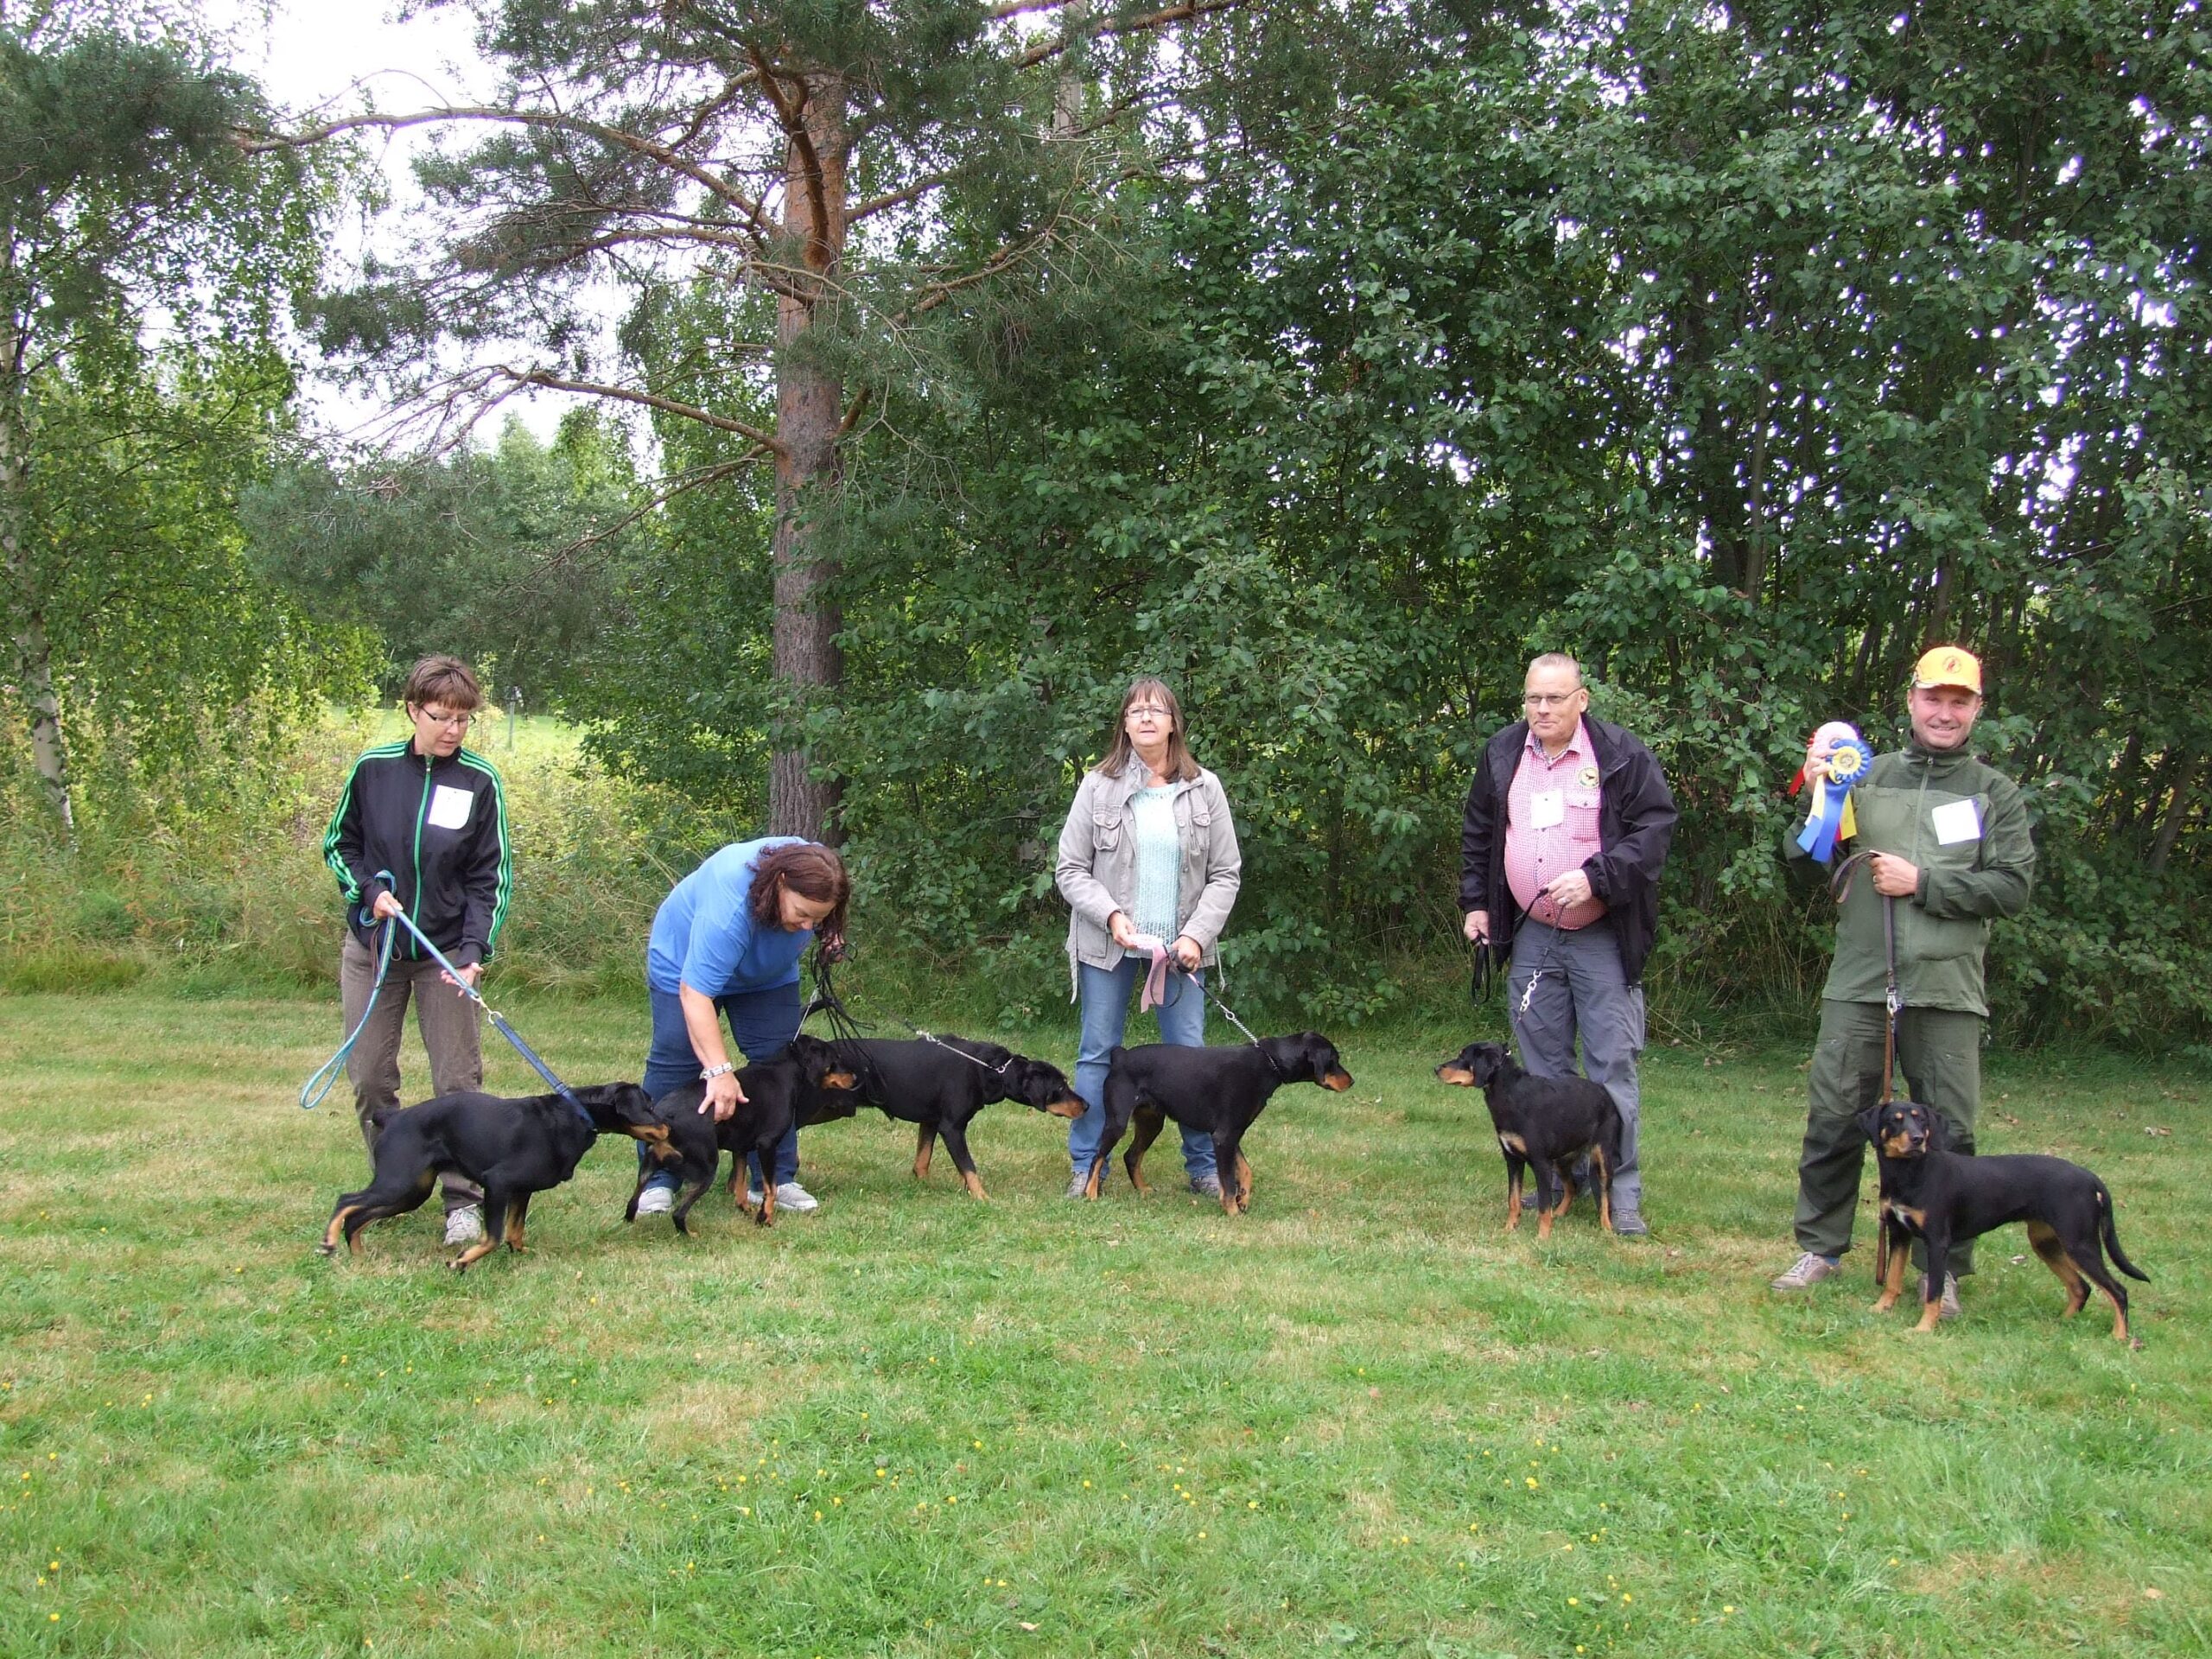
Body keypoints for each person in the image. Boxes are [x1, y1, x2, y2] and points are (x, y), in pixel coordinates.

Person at [1770, 646, 2036, 1311]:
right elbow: (1802, 861)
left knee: (1951, 1133)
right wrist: (1816, 797)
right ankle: (1821, 1248)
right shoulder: (1866, 776)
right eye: (1933, 699)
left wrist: (1927, 883)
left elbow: (2013, 887)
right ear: (1911, 701)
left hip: (1948, 987)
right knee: (1834, 1117)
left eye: (1960, 701)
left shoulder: (1994, 792)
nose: (1944, 713)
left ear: (1977, 709)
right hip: (1859, 981)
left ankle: (1937, 1268)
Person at [1459, 652, 1676, 1235]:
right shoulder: (1503, 752)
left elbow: (1654, 833)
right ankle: (1560, 1182)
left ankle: (1621, 1192)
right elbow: (1479, 832)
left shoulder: (1621, 755)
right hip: (1533, 932)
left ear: (1582, 699)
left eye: (1555, 698)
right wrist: (1476, 903)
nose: (1543, 709)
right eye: (1533, 698)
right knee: (1540, 1069)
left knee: (1611, 1066)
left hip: (1602, 931)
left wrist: (1596, 878)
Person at [323, 654, 512, 1246]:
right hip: (374, 949)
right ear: (412, 709)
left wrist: (473, 950)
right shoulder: (374, 769)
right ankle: (399, 1181)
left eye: (464, 719)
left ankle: (463, 1201)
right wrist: (369, 889)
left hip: (445, 954)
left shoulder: (480, 781)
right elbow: (339, 844)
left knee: (458, 1082)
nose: (453, 730)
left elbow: (491, 876)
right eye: (441, 717)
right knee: (371, 1079)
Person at [1056, 677, 1243, 1198]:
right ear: (1124, 723)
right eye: (1135, 711)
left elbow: (1226, 873)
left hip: (1181, 954)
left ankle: (1205, 1168)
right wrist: (1112, 916)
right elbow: (1070, 869)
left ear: (1173, 723)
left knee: (1190, 1054)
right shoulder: (1097, 785)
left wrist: (1197, 937)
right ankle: (1087, 1167)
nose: (1144, 718)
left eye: (1156, 711)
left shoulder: (1205, 787)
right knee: (1098, 1052)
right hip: (1108, 944)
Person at [632, 838, 850, 1216]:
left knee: (782, 1065)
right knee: (676, 1059)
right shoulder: (729, 910)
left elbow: (819, 909)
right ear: (780, 882)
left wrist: (827, 932)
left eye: (819, 918)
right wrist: (719, 1072)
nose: (807, 925)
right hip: (683, 968)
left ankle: (774, 1179)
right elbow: (695, 994)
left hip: (767, 974)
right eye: (803, 914)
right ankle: (660, 1178)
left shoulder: (819, 871)